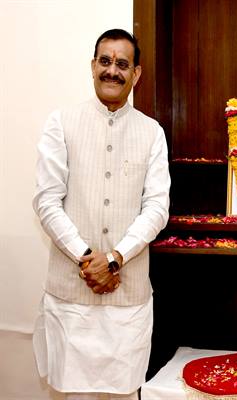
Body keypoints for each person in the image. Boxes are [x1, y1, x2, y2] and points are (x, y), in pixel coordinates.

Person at [32, 29, 170, 399]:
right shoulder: (61, 123)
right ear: (93, 66)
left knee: (124, 394)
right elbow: (46, 201)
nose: (112, 70)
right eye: (105, 61)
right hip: (70, 300)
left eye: (122, 64)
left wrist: (114, 258)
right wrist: (87, 257)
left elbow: (157, 208)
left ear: (135, 74)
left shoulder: (152, 132)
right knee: (72, 394)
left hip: (127, 301)